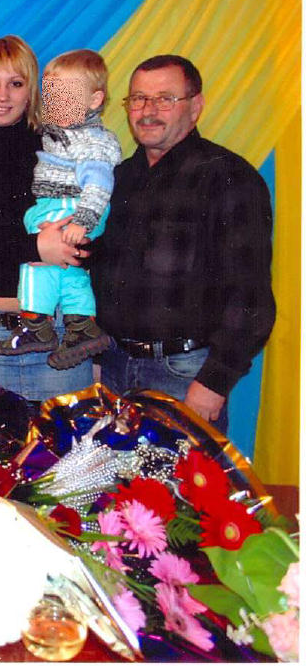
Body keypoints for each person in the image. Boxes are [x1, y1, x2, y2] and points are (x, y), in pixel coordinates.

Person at [91, 55, 275, 431]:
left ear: (196, 106)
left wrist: (214, 383)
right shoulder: (117, 179)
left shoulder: (229, 178)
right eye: (139, 99)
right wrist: (95, 357)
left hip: (184, 376)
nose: (148, 111)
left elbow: (250, 297)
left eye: (165, 99)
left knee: (180, 474)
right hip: (110, 368)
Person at [0, 36, 93, 405]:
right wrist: (37, 246)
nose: (2, 95)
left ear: (31, 92)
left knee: (67, 446)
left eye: (16, 83)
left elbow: (92, 241)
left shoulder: (63, 153)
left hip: (61, 337)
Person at [0, 49, 120, 370]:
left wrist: (82, 221)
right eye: (51, 95)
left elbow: (99, 184)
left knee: (37, 262)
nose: (56, 103)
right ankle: (82, 325)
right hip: (67, 205)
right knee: (68, 269)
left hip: (73, 206)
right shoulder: (64, 133)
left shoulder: (92, 141)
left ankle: (36, 322)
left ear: (94, 100)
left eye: (67, 95)